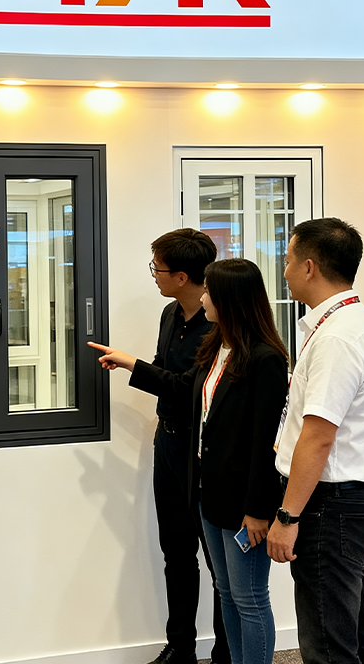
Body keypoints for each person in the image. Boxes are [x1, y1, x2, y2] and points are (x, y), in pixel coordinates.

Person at [92, 258, 288, 664]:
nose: (203, 298)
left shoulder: (265, 359)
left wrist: (257, 510)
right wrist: (131, 363)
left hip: (240, 500)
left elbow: (265, 443)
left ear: (229, 299)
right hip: (208, 491)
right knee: (229, 594)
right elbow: (184, 388)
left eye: (209, 292)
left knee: (249, 598)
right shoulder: (217, 347)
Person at [266, 218, 364, 664]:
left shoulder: (338, 337)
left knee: (327, 645)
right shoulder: (360, 324)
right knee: (353, 634)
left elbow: (318, 437)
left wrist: (287, 516)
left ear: (309, 267)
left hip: (330, 506)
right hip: (353, 501)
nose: (284, 271)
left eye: (287, 261)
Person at [138, 229, 229, 664]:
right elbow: (165, 371)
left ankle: (227, 652)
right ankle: (181, 648)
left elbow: (188, 388)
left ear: (181, 276)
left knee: (219, 563)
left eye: (157, 269)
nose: (154, 275)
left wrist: (132, 366)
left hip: (203, 450)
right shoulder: (170, 314)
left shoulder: (219, 326)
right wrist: (144, 370)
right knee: (175, 552)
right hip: (168, 442)